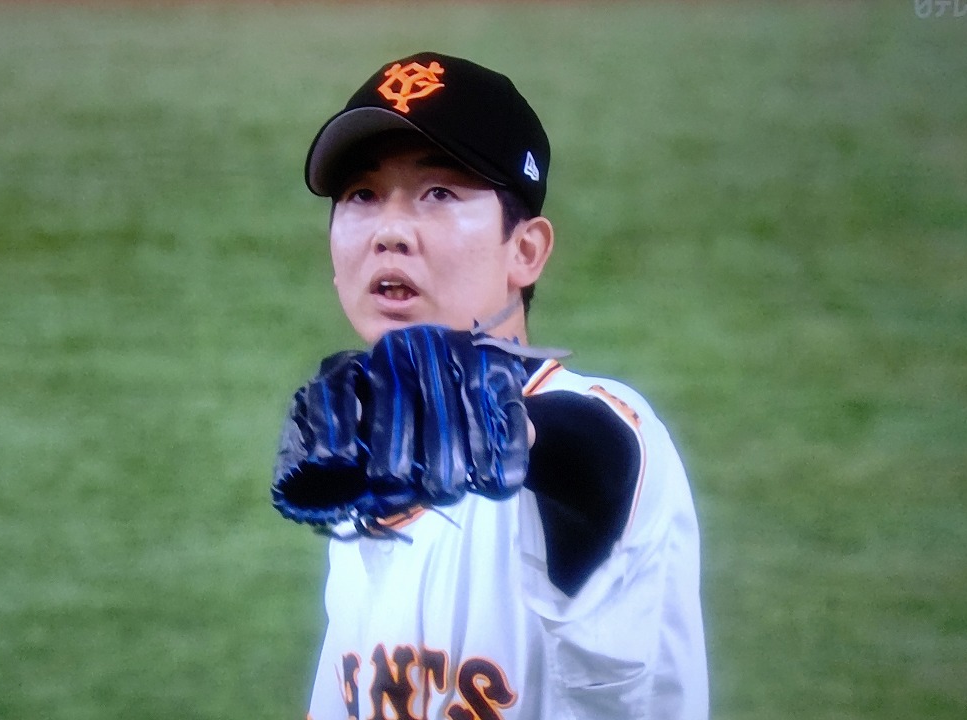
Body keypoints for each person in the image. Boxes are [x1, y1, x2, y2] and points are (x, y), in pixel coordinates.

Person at [289, 51, 708, 719]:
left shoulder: (610, 438)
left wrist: (492, 421)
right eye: (362, 195)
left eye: (439, 193)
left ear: (527, 250)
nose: (390, 231)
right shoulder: (369, 470)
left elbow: (592, 459)